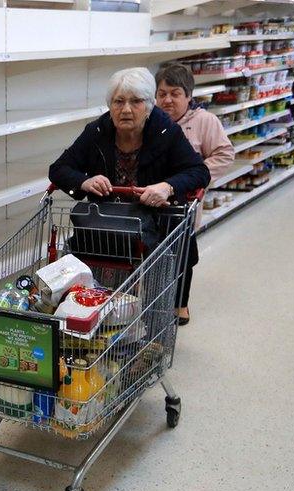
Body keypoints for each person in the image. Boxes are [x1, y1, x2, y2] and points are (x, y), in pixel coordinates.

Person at [48, 67, 210, 325]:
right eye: (118, 101)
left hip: (156, 223)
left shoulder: (166, 132)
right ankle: (100, 330)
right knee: (95, 280)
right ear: (110, 105)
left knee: (159, 277)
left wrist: (166, 187)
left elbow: (198, 171)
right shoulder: (97, 132)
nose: (126, 109)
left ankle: (153, 337)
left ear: (149, 106)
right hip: (107, 225)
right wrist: (85, 181)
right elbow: (58, 169)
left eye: (136, 101)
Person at [156, 62, 235, 325]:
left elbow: (224, 155)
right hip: (152, 199)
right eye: (162, 93)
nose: (167, 100)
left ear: (188, 96)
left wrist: (195, 174)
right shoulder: (151, 120)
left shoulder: (204, 121)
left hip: (185, 202)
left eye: (175, 93)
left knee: (183, 255)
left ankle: (180, 304)